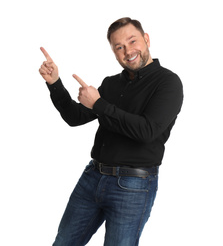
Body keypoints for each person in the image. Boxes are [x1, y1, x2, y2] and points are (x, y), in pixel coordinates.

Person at [39, 17, 183, 246]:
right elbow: (74, 118)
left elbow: (147, 131)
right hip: (92, 177)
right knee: (63, 242)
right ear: (115, 53)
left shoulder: (168, 82)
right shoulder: (111, 84)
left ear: (146, 39)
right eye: (119, 47)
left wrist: (99, 104)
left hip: (133, 187)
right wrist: (55, 83)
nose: (127, 50)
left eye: (132, 41)